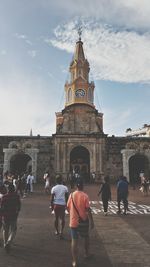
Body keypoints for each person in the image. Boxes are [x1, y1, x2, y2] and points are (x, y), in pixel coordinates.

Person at [67, 180, 94, 267]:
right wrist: (91, 221)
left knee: (74, 240)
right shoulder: (85, 196)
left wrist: (72, 214)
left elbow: (68, 207)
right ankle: (86, 253)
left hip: (73, 220)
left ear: (76, 186)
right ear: (83, 186)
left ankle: (74, 261)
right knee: (86, 237)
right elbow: (88, 210)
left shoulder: (71, 195)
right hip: (83, 220)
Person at [1, 184, 21, 253]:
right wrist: (17, 213)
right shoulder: (16, 196)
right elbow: (19, 206)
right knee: (13, 230)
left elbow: (1, 208)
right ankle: (9, 242)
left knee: (5, 230)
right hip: (13, 216)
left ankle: (4, 243)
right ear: (14, 189)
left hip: (5, 216)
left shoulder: (4, 197)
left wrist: (2, 215)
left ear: (8, 189)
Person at [51, 175, 69, 239]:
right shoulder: (65, 188)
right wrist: (67, 205)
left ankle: (57, 231)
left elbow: (52, 199)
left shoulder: (54, 188)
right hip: (62, 204)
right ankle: (61, 231)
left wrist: (52, 206)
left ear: (56, 181)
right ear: (61, 180)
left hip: (56, 204)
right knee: (62, 218)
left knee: (56, 218)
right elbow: (67, 197)